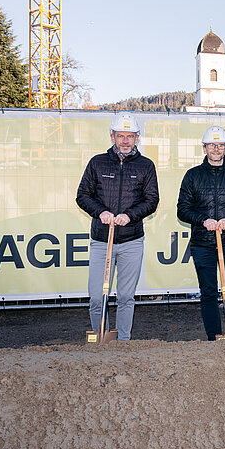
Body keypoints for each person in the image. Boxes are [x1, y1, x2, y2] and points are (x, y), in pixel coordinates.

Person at [76, 111, 160, 341]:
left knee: (125, 296)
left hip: (131, 240)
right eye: (121, 135)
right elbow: (83, 195)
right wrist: (100, 212)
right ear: (112, 136)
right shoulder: (97, 162)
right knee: (96, 296)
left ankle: (123, 341)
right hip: (101, 240)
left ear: (137, 137)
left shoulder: (145, 166)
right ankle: (99, 335)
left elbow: (151, 200)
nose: (125, 141)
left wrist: (130, 215)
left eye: (130, 136)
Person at [177, 125, 225, 339]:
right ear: (204, 148)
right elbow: (182, 209)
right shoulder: (192, 176)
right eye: (212, 145)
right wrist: (204, 220)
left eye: (220, 145)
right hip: (202, 245)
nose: (216, 149)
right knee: (209, 293)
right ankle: (214, 336)